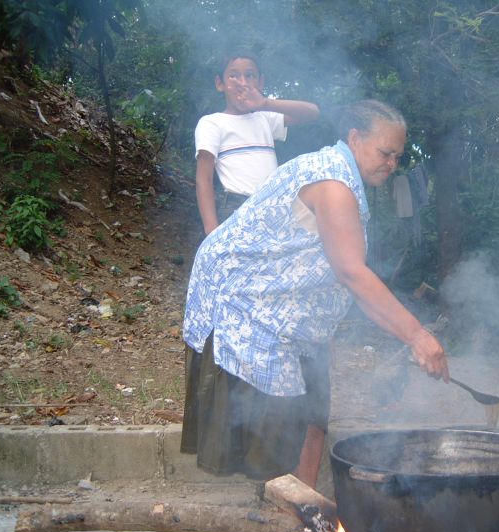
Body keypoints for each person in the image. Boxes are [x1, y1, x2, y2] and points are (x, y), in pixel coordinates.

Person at [181, 99, 449, 490]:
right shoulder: (333, 183)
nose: (391, 163)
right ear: (355, 139)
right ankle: (278, 499)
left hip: (286, 301)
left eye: (397, 156)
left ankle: (302, 499)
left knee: (313, 402)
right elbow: (352, 272)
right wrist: (417, 336)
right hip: (244, 297)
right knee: (277, 413)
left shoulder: (344, 173)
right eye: (385, 152)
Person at [194, 51, 320, 235]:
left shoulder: (265, 118)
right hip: (237, 208)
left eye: (250, 75)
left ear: (260, 82)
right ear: (220, 84)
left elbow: (312, 113)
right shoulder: (212, 122)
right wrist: (211, 231)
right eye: (233, 76)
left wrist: (265, 103)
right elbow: (204, 179)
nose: (243, 83)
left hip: (274, 208)